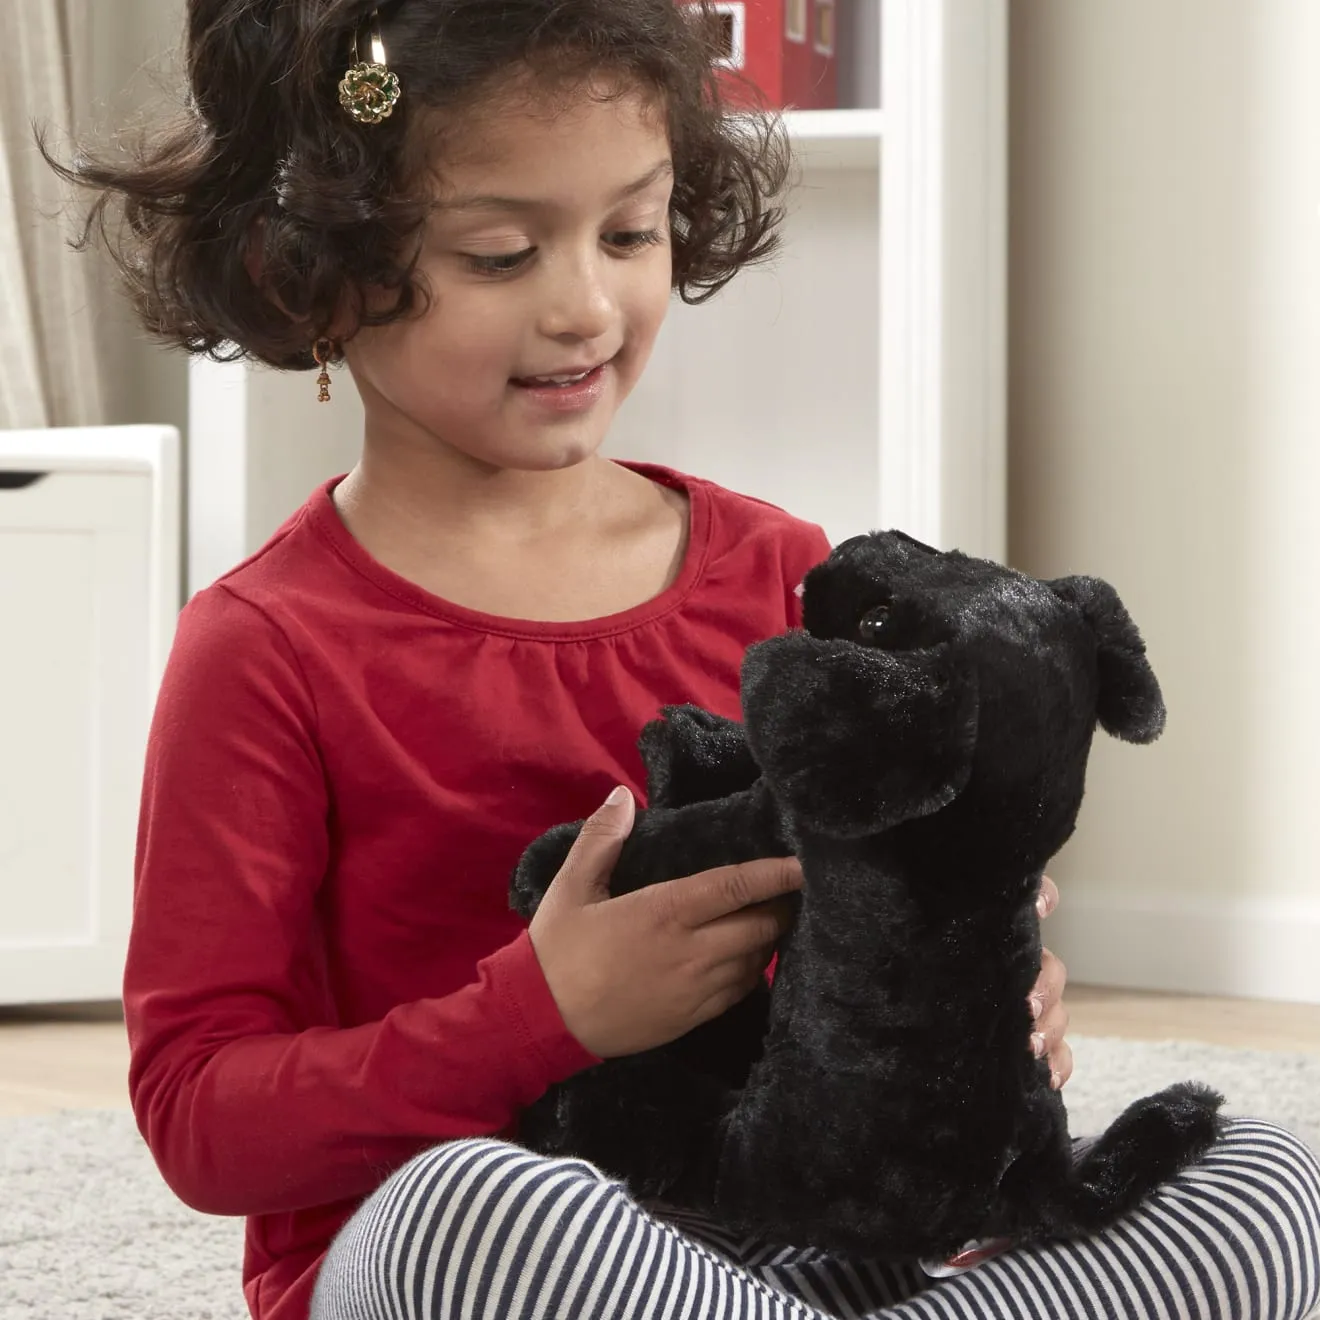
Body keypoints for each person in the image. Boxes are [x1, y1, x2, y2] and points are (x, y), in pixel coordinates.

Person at [52, 2, 1319, 1318]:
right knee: (468, 1215)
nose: (587, 305)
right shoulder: (262, 649)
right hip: (490, 1252)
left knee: (1257, 1172)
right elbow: (202, 1117)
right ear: (303, 272)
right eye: (499, 254)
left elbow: (872, 951)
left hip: (792, 1239)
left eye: (630, 232)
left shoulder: (782, 567)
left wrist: (974, 990)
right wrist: (543, 1013)